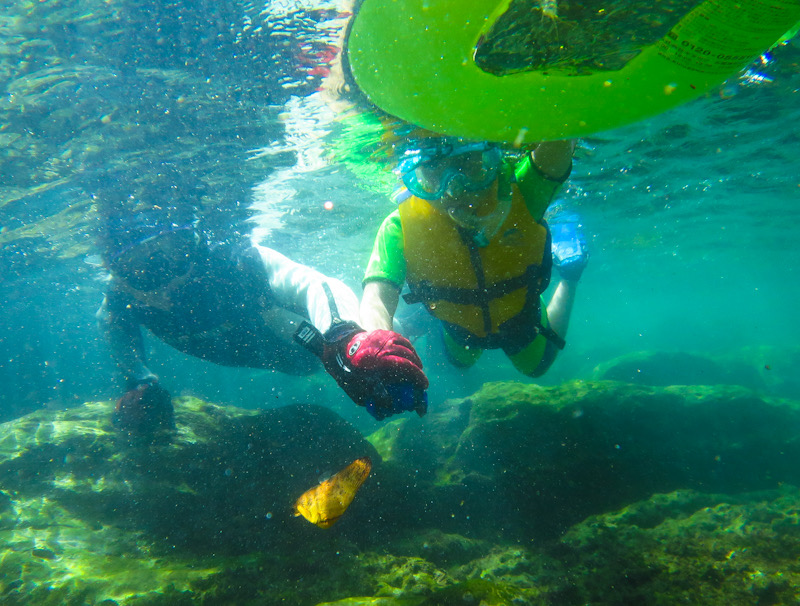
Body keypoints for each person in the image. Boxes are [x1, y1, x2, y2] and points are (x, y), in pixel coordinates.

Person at [96, 205, 428, 434]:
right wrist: (139, 383)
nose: (165, 278)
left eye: (174, 252)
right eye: (139, 267)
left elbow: (311, 283)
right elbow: (115, 331)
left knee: (395, 334)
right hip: (290, 360)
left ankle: (427, 319)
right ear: (117, 273)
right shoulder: (120, 300)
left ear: (192, 244)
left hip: (322, 345)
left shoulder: (231, 263)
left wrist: (346, 336)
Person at [359, 133, 588, 377]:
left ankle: (571, 275)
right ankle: (425, 322)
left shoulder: (524, 192)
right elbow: (376, 297)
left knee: (538, 368)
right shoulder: (400, 226)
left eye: (467, 160)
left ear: (490, 159)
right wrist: (379, 350)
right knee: (459, 364)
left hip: (522, 323)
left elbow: (562, 138)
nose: (454, 187)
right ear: (418, 174)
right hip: (459, 331)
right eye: (433, 167)